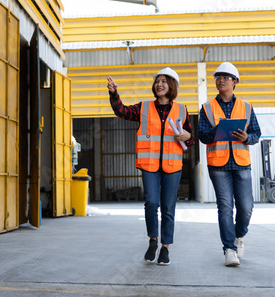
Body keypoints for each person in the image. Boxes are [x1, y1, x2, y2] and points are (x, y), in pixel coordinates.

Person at [107, 68, 194, 266]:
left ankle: (166, 248)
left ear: (171, 86)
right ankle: (153, 240)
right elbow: (123, 111)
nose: (159, 84)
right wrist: (114, 94)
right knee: (152, 203)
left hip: (172, 164)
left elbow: (191, 137)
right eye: (157, 81)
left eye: (164, 81)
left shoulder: (181, 109)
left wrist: (187, 136)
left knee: (168, 208)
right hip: (150, 164)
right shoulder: (144, 107)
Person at [198, 62, 261, 267]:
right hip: (218, 164)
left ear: (235, 82)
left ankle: (239, 236)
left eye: (226, 77)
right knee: (225, 207)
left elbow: (256, 134)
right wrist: (217, 130)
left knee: (246, 207)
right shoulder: (207, 108)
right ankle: (229, 249)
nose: (221, 80)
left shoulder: (247, 106)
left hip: (241, 163)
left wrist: (246, 137)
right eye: (218, 77)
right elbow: (203, 136)